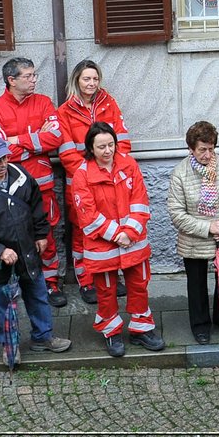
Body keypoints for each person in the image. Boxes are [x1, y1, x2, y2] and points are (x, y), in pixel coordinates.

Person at [0, 134, 71, 367]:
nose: (2, 165)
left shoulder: (21, 176)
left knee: (37, 294)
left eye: (5, 158)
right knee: (1, 306)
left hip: (28, 253)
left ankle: (43, 336)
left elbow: (36, 206)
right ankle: (9, 346)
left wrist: (41, 234)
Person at [70, 123, 162, 356]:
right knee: (106, 291)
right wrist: (116, 235)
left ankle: (141, 330)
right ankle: (111, 333)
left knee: (139, 285)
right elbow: (87, 214)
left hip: (132, 241)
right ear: (91, 148)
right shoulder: (82, 174)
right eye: (101, 146)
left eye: (111, 144)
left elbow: (140, 200)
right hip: (104, 246)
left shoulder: (129, 164)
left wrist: (129, 233)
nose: (107, 150)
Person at [0, 57, 66, 307]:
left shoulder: (43, 103)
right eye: (28, 76)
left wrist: (17, 141)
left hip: (43, 186)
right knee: (13, 235)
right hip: (10, 188)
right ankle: (19, 282)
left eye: (34, 75)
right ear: (11, 80)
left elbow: (56, 138)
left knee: (47, 235)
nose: (34, 80)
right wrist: (33, 144)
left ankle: (51, 284)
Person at [56, 59, 130, 305]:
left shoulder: (109, 104)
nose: (91, 83)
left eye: (95, 78)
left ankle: (112, 275)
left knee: (113, 226)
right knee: (82, 231)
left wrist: (112, 170)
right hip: (81, 184)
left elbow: (123, 143)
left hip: (112, 180)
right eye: (86, 79)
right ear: (77, 80)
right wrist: (90, 176)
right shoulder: (65, 112)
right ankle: (86, 280)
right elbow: (66, 152)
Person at [168, 121, 219, 344]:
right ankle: (200, 324)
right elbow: (176, 213)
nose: (207, 154)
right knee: (197, 284)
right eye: (202, 149)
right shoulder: (180, 173)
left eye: (211, 148)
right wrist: (208, 228)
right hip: (194, 242)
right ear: (191, 149)